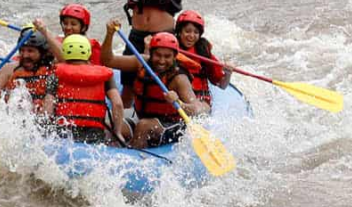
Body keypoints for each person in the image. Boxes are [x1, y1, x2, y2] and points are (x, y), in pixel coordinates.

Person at [101, 20, 208, 149]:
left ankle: (136, 157)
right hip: (141, 117)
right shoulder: (141, 62)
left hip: (171, 125)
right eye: (158, 55)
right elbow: (108, 60)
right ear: (151, 53)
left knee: (143, 126)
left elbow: (197, 110)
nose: (162, 61)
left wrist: (179, 103)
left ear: (174, 57)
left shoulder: (179, 78)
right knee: (110, 125)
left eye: (167, 56)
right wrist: (109, 34)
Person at [42, 35, 124, 145]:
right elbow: (117, 104)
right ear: (89, 53)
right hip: (95, 137)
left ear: (64, 52)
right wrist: (117, 132)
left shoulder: (55, 75)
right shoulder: (105, 75)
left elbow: (48, 108)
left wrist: (44, 132)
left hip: (64, 136)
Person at [0, 26, 54, 113]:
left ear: (42, 53)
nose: (25, 55)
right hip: (17, 123)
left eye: (30, 51)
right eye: (22, 50)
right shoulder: (10, 69)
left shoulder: (53, 69)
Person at [174, 10, 233, 107]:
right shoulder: (170, 48)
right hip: (177, 99)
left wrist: (228, 74)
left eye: (196, 32)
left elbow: (222, 85)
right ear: (179, 32)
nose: (191, 36)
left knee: (197, 108)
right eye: (187, 31)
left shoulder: (203, 51)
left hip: (201, 102)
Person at [33, 4, 103, 65]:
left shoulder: (92, 46)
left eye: (73, 24)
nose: (68, 27)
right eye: (65, 23)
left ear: (83, 28)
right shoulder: (56, 41)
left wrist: (45, 32)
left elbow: (67, 60)